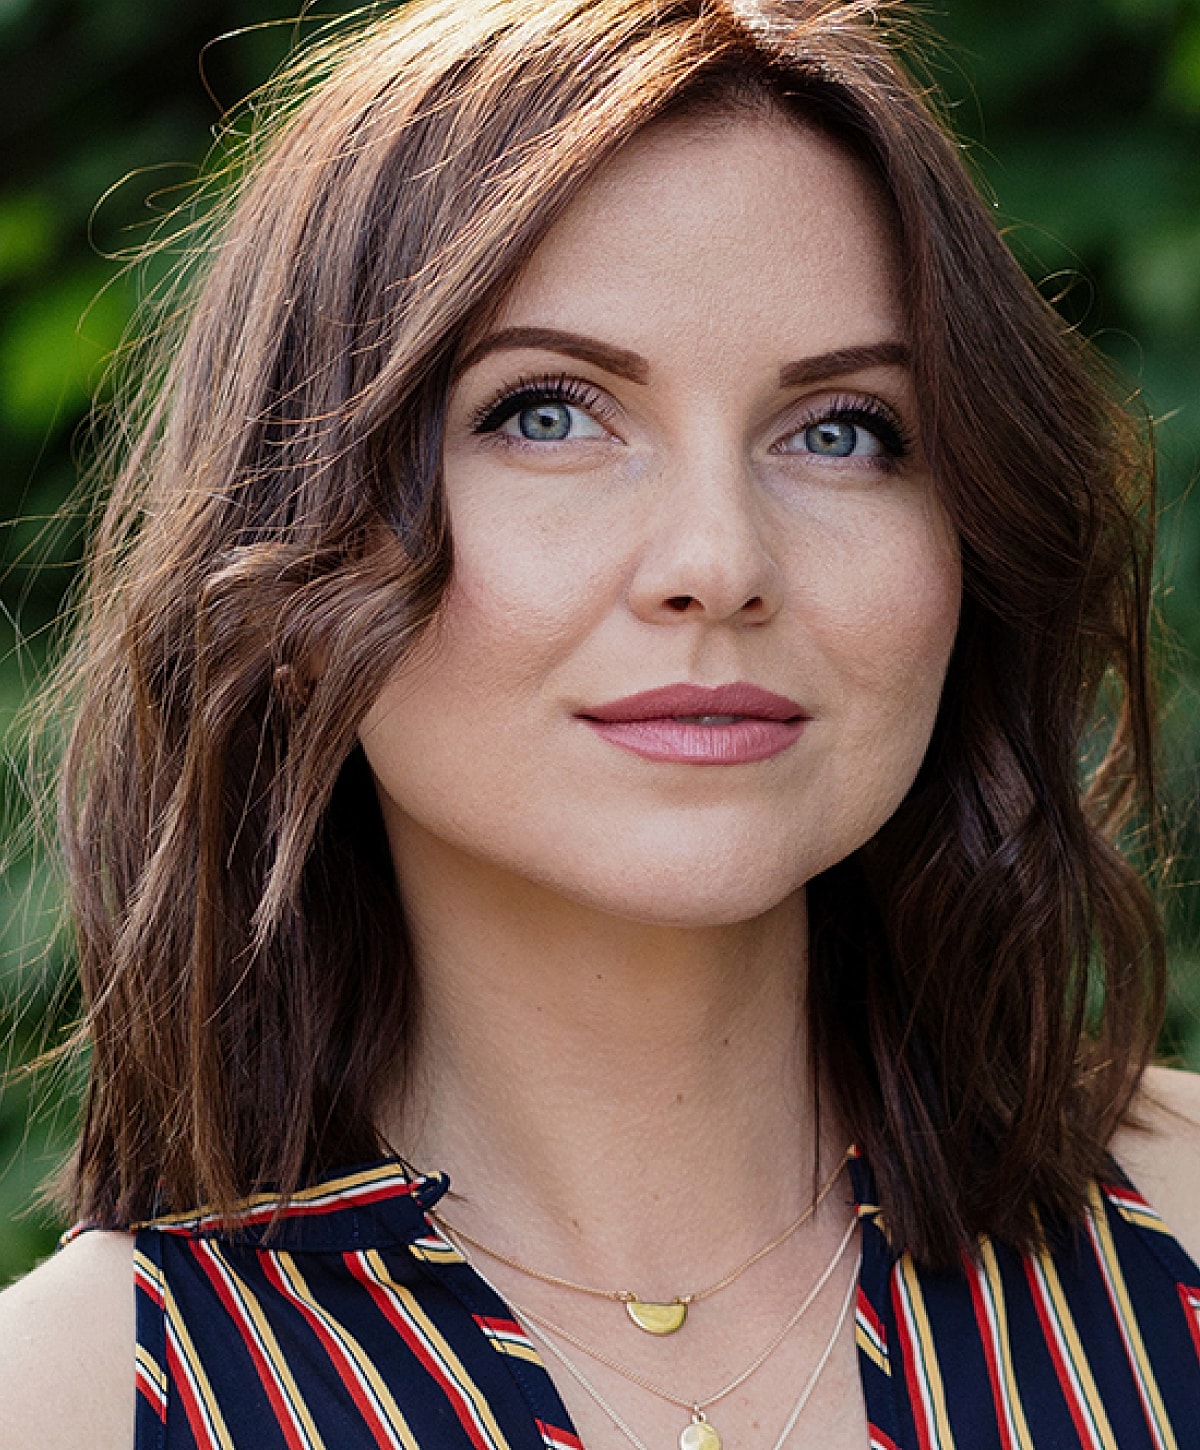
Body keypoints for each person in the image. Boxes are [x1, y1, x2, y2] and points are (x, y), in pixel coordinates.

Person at [3, 0, 1200, 1446]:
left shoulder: (1183, 1239)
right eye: (551, 412)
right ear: (292, 533)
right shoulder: (67, 1399)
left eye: (842, 430)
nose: (720, 563)